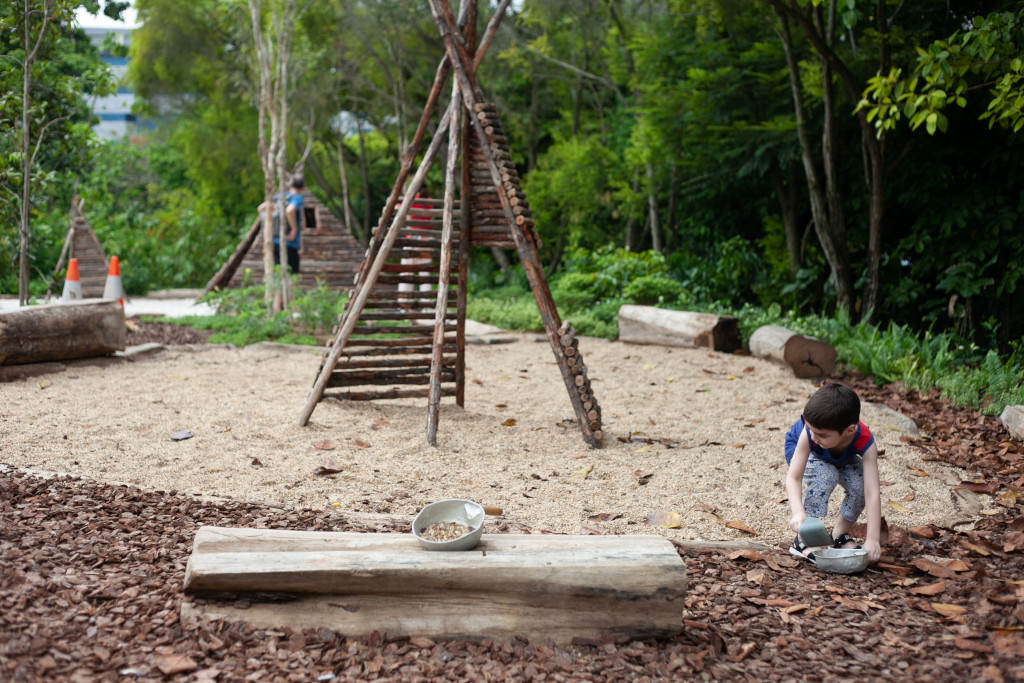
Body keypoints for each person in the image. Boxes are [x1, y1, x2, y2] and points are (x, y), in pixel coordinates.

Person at [784, 382, 883, 564]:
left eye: (821, 434)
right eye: (811, 429)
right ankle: (805, 536)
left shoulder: (865, 440)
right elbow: (793, 477)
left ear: (849, 431)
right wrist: (798, 513)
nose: (814, 436)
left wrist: (872, 539)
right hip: (808, 453)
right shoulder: (811, 433)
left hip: (841, 456)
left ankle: (839, 534)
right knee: (826, 474)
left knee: (859, 484)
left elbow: (872, 491)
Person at [258, 174, 304, 311]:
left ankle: (276, 308)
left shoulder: (281, 197)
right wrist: (294, 229)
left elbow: (261, 208)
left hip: (274, 242)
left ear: (290, 185)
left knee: (277, 275)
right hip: (289, 244)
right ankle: (294, 309)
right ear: (303, 187)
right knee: (292, 276)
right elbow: (290, 210)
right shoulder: (296, 198)